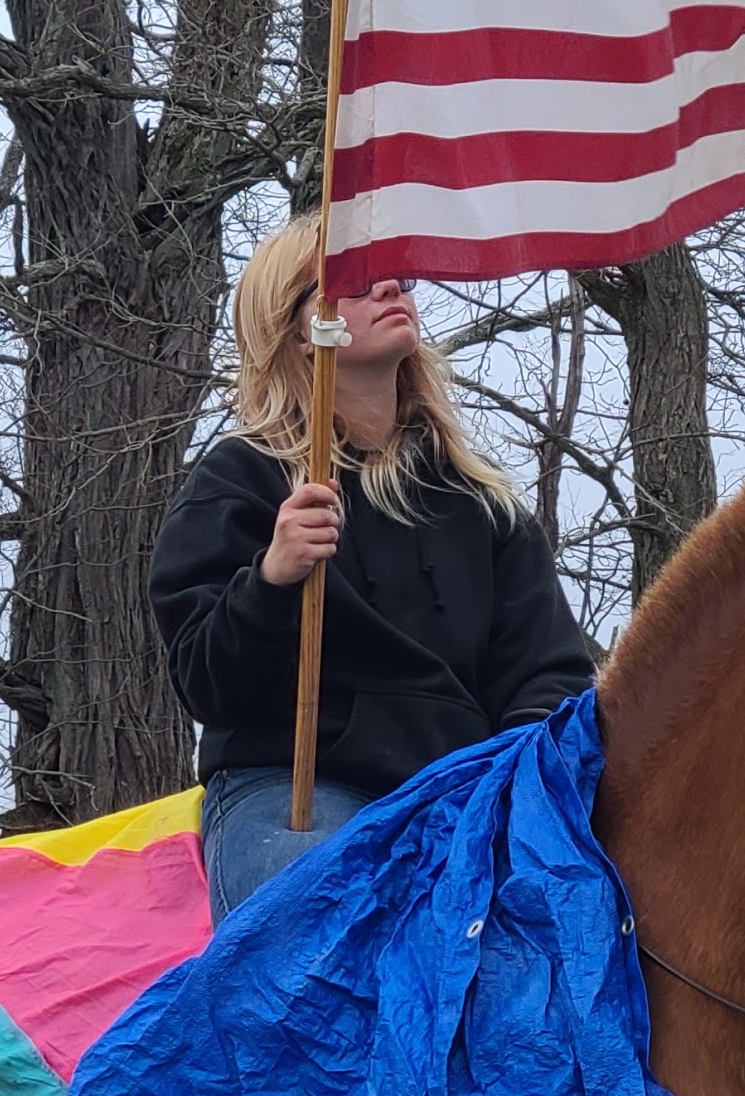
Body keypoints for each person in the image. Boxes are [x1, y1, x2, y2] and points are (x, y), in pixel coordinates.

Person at [153, 215, 597, 919]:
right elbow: (206, 684)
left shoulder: (483, 505)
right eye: (355, 284)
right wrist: (271, 581)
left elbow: (549, 674)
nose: (392, 287)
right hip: (299, 791)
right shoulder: (241, 480)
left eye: (398, 276)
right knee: (319, 942)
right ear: (303, 329)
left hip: (465, 796)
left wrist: (509, 783)